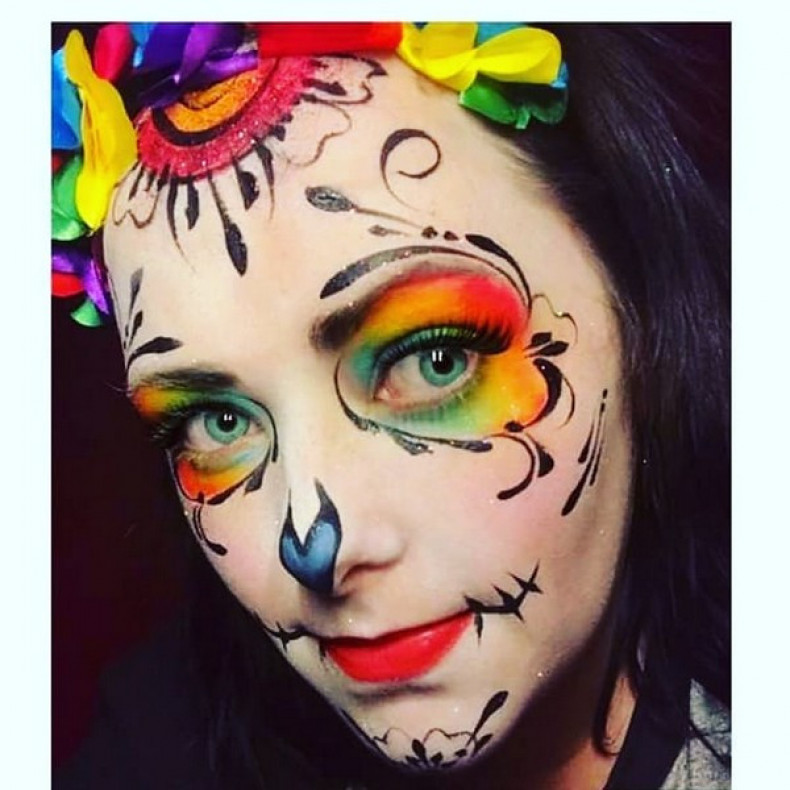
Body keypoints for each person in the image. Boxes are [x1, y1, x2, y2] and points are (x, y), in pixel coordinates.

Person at [53, 22, 730, 789]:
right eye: (218, 421)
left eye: (432, 359)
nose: (316, 543)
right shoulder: (157, 739)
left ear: (636, 307)